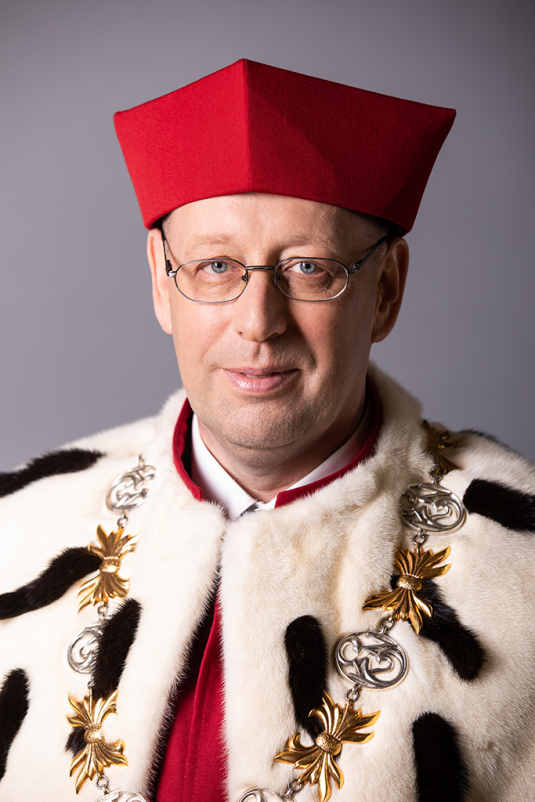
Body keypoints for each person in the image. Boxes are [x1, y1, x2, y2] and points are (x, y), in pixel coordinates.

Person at [1, 59, 534, 802]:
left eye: (310, 268)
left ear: (385, 290)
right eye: (216, 266)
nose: (258, 322)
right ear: (161, 281)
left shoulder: (523, 575)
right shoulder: (16, 531)